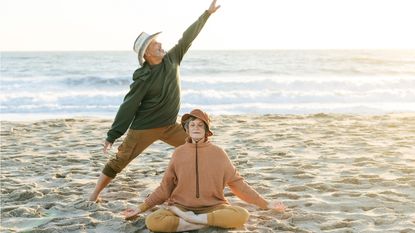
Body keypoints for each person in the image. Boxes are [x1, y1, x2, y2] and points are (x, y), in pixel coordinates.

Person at [89, 0, 221, 201]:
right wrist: (112, 135)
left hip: (170, 126)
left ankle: (202, 188)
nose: (160, 44)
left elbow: (188, 37)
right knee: (119, 161)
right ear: (147, 54)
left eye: (158, 42)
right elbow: (128, 106)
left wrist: (207, 14)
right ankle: (94, 194)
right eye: (154, 44)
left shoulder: (173, 58)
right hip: (144, 128)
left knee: (199, 147)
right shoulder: (144, 78)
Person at [122, 109, 286, 232]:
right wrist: (141, 208)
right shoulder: (178, 153)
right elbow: (165, 188)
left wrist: (266, 203)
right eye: (192, 125)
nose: (196, 128)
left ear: (207, 130)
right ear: (187, 129)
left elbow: (238, 184)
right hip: (181, 207)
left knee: (242, 215)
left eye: (200, 125)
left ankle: (190, 221)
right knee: (153, 221)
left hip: (213, 207)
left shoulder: (218, 153)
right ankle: (198, 221)